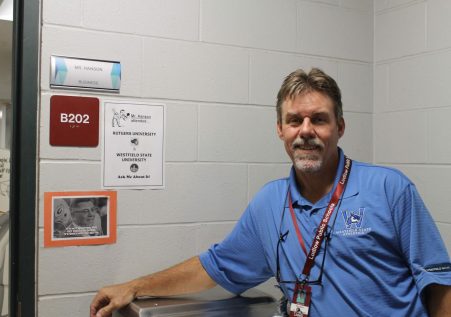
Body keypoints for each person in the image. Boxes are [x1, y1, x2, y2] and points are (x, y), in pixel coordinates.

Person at [91, 68, 451, 317]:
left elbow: (439, 282)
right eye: (295, 120)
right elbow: (214, 267)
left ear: (339, 127)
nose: (305, 131)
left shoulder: (389, 189)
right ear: (280, 130)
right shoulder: (269, 203)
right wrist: (135, 286)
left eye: (319, 119)